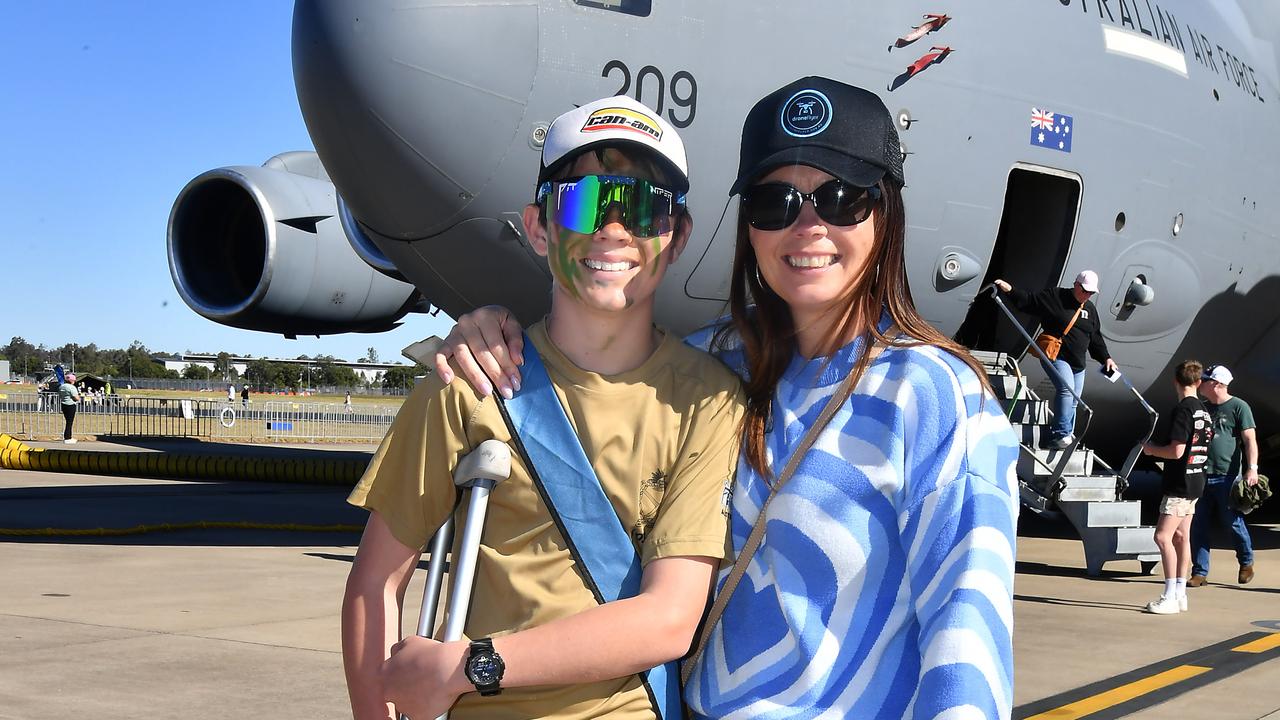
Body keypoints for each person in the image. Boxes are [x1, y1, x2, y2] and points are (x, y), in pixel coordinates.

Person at [433, 77, 1020, 719]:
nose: (807, 226)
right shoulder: (714, 364)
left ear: (885, 214)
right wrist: (491, 327)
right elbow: (594, 360)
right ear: (750, 226)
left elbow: (967, 626)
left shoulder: (935, 394)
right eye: (776, 202)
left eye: (840, 198)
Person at [342, 95, 744, 720]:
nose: (613, 231)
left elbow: (668, 620)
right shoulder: (466, 382)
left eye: (644, 208)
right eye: (584, 202)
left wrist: (474, 665)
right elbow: (376, 584)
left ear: (677, 236)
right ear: (538, 226)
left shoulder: (709, 401)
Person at [993, 270, 1119, 449]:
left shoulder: (1090, 310)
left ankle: (1067, 435)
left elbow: (1095, 337)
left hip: (1078, 363)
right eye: (1084, 291)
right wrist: (1010, 290)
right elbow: (1030, 302)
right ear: (1076, 285)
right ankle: (1061, 434)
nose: (1087, 295)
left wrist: (1106, 358)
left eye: (1091, 293)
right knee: (1066, 390)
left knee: (1075, 399)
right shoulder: (1056, 296)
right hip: (1056, 356)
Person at [1140, 360, 1212, 614]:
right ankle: (1180, 592)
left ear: (1175, 381)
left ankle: (1169, 594)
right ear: (1199, 382)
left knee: (1162, 537)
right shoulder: (1204, 411)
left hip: (1179, 485)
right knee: (1183, 537)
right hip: (1196, 481)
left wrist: (1151, 450)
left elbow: (1177, 450)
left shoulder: (1183, 411)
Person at [1189, 364, 1259, 586]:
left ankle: (1246, 562)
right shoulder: (1202, 407)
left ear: (1217, 385)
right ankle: (1199, 572)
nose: (1201, 383)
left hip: (1227, 476)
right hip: (1200, 475)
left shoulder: (1239, 407)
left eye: (1206, 380)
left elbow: (1249, 440)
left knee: (1233, 522)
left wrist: (1252, 468)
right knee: (1197, 524)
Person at [58, 373, 81, 444]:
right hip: (70, 405)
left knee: (68, 421)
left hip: (63, 404)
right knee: (69, 422)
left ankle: (68, 436)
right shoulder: (72, 387)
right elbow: (76, 398)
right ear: (72, 381)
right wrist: (78, 397)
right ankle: (67, 437)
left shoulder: (61, 386)